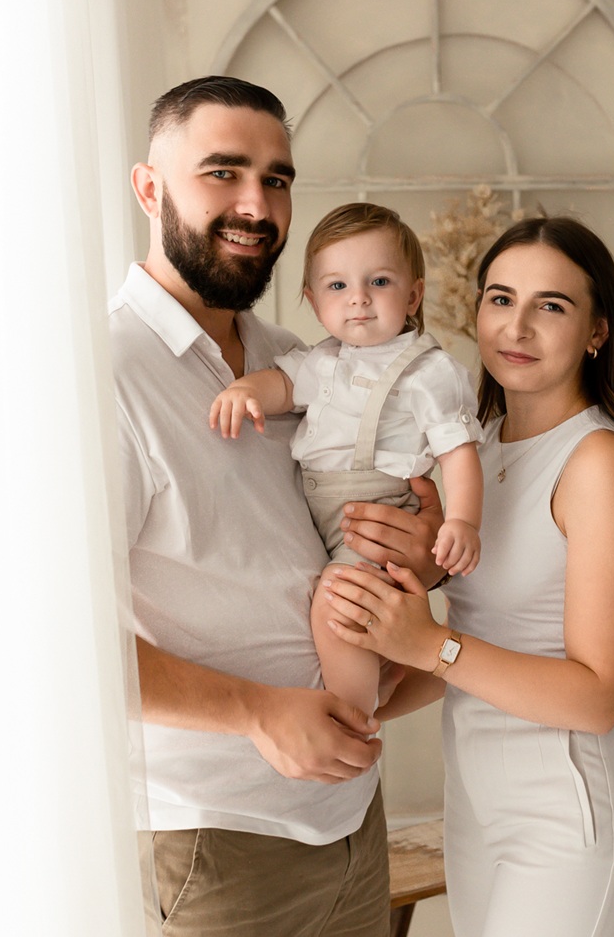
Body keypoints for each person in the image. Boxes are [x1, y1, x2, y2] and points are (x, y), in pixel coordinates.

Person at [110, 75, 447, 937]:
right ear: (149, 188)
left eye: (277, 178)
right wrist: (256, 710)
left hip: (351, 815)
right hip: (218, 843)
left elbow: (333, 528)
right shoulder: (107, 373)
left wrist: (417, 547)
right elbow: (54, 639)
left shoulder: (294, 356)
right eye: (222, 172)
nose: (256, 205)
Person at [318, 217, 614, 937]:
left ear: (597, 330)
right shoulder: (474, 450)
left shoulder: (600, 462)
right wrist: (371, 697)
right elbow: (484, 644)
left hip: (571, 808)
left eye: (551, 305)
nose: (517, 326)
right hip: (478, 803)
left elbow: (598, 698)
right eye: (500, 298)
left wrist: (428, 644)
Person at [209, 201, 483, 716]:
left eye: (379, 281)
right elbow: (283, 387)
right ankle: (377, 683)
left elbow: (458, 452)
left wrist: (463, 520)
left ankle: (352, 713)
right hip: (326, 519)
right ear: (314, 302)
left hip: (381, 513)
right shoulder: (321, 360)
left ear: (413, 295)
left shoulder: (429, 372)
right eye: (337, 286)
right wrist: (246, 390)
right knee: (340, 602)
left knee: (337, 602)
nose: (358, 298)